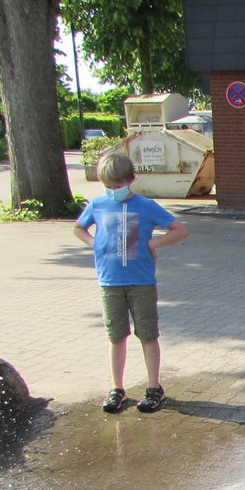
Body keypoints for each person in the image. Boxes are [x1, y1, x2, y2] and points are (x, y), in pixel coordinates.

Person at [73, 152, 189, 414]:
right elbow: (78, 228)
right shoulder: (98, 205)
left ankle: (154, 386)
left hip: (141, 282)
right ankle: (117, 387)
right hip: (110, 282)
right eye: (108, 186)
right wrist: (94, 243)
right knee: (116, 336)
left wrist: (153, 243)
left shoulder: (145, 205)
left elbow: (180, 229)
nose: (113, 191)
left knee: (148, 334)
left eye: (118, 185)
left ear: (131, 180)